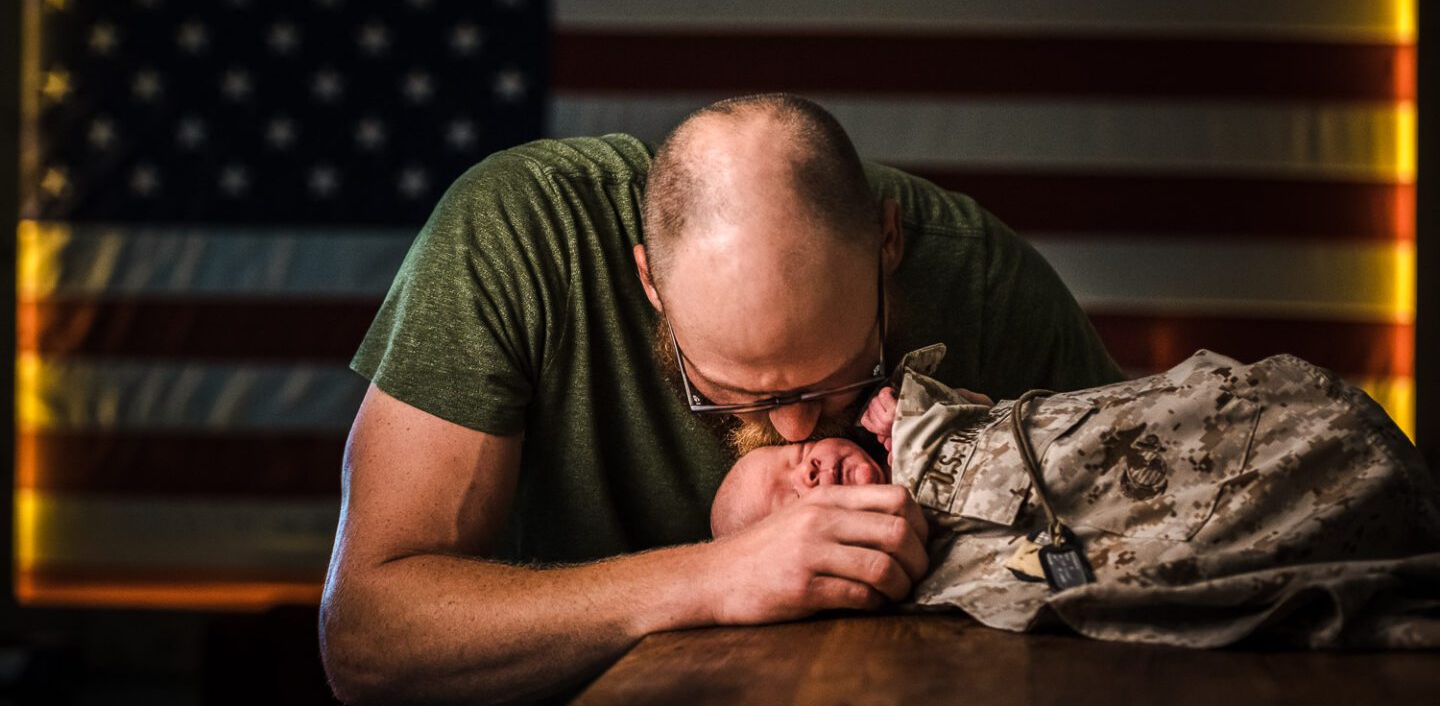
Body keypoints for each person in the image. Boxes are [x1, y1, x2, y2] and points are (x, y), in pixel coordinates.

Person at [319, 93, 1123, 703]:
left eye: (837, 377)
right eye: (729, 392)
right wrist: (717, 579)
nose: (794, 426)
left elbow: (1172, 520)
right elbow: (367, 637)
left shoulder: (976, 273)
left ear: (887, 245)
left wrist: (1015, 455)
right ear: (649, 283)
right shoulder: (521, 236)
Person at [711, 344, 1440, 649]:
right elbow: (1059, 576)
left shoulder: (916, 433)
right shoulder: (925, 594)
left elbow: (1024, 430)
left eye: (797, 459)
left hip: (1226, 429)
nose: (804, 476)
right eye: (787, 506)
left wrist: (919, 422)